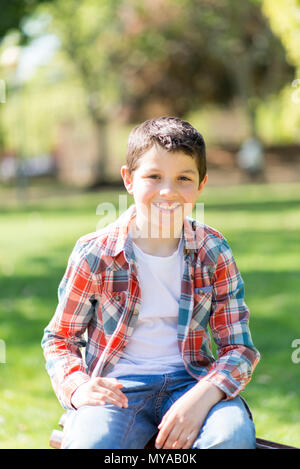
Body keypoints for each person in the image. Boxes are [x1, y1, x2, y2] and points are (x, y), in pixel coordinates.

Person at [42, 116, 260, 449]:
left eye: (183, 178)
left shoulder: (213, 251)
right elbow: (60, 338)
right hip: (118, 390)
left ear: (201, 184)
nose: (168, 191)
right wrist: (78, 386)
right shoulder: (96, 253)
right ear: (128, 179)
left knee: (229, 437)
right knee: (92, 444)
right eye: (154, 176)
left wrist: (203, 397)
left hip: (194, 383)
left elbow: (239, 348)